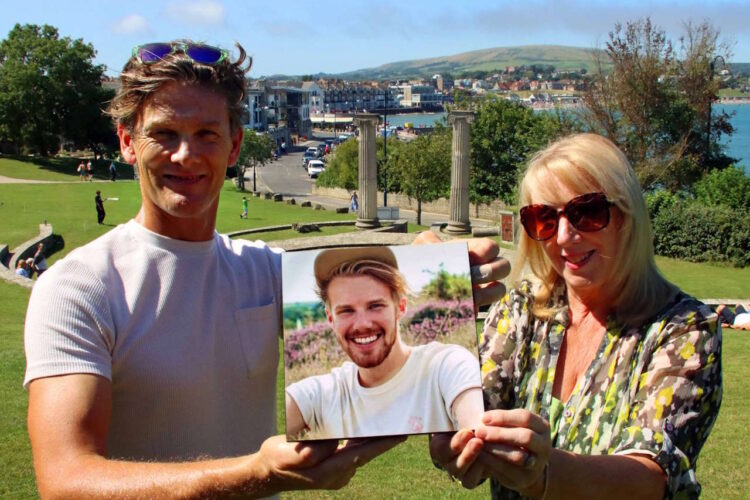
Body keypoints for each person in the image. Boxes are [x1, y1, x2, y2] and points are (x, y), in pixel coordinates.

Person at [24, 39, 508, 497]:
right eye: (164, 134)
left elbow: (373, 312)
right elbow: (65, 480)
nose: (186, 154)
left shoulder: (266, 274)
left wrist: (431, 265)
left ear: (234, 148)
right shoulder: (77, 288)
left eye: (207, 135)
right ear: (128, 142)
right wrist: (256, 473)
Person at [430, 133, 722, 498]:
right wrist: (429, 298)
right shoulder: (522, 312)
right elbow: (463, 410)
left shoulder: (684, 329)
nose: (565, 237)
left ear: (626, 216)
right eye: (544, 219)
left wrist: (542, 474)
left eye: (586, 213)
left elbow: (653, 475)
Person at [285, 247, 484, 440]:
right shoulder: (322, 394)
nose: (362, 324)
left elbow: (474, 418)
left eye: (375, 306)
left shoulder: (447, 365)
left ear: (401, 307)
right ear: (330, 319)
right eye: (346, 311)